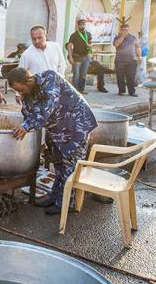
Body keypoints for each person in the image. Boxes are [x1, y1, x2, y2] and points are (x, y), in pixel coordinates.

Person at [8, 67, 97, 215]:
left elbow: (47, 107)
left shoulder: (50, 78)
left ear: (28, 80)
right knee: (59, 165)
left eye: (21, 89)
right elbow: (29, 113)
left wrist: (26, 126)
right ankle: (55, 196)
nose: (20, 93)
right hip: (58, 130)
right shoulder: (28, 93)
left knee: (70, 167)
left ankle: (66, 203)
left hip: (76, 126)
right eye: (17, 91)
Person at [113, 23, 141, 97]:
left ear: (129, 30)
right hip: (120, 61)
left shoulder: (133, 38)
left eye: (126, 30)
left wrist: (139, 57)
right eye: (123, 30)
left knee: (131, 77)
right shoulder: (117, 37)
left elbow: (137, 47)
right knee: (120, 76)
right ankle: (121, 91)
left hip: (131, 61)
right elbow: (116, 44)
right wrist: (122, 36)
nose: (125, 31)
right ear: (120, 30)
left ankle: (132, 92)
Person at [67, 19, 93, 94]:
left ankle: (81, 89)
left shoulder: (88, 34)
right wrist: (70, 57)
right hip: (76, 57)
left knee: (83, 75)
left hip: (86, 56)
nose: (82, 26)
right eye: (81, 24)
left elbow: (91, 43)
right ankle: (74, 91)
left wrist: (90, 45)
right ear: (78, 25)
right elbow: (69, 46)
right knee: (76, 75)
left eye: (83, 24)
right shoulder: (74, 35)